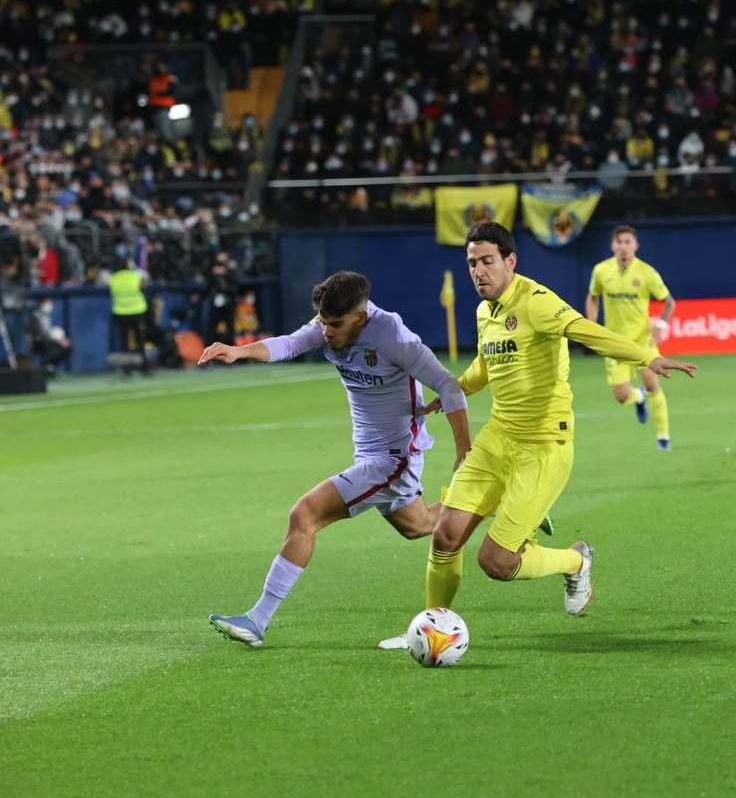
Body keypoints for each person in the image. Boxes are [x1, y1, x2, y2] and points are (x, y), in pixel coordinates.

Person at [378, 223, 696, 649]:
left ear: (510, 261)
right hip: (497, 438)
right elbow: (485, 365)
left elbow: (586, 330)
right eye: (472, 263)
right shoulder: (484, 311)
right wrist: (455, 390)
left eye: (487, 261)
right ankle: (430, 627)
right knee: (445, 536)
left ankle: (575, 561)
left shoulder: (537, 302)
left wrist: (647, 357)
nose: (478, 271)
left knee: (496, 561)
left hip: (544, 445)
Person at [202, 271, 545, 648]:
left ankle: (257, 620)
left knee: (305, 514)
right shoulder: (330, 321)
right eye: (323, 322)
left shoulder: (393, 337)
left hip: (392, 460)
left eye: (335, 324)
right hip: (371, 453)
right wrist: (239, 351)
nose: (326, 332)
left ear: (361, 317)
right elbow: (289, 343)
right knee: (418, 525)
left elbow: (448, 386)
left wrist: (464, 449)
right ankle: (496, 499)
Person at [585, 225, 677, 450]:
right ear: (612, 245)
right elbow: (593, 296)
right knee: (622, 396)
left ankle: (663, 436)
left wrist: (661, 325)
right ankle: (639, 398)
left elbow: (669, 302)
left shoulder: (647, 272)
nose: (624, 247)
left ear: (636, 245)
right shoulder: (601, 271)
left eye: (628, 242)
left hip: (642, 339)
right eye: (620, 242)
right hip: (614, 341)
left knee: (652, 383)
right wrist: (591, 323)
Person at [109, 259, 149, 375]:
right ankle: (143, 367)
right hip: (137, 312)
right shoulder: (136, 276)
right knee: (140, 340)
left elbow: (112, 293)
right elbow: (144, 288)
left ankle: (127, 369)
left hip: (120, 313)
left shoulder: (114, 278)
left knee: (125, 341)